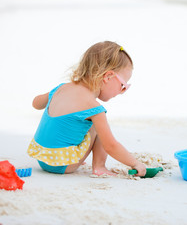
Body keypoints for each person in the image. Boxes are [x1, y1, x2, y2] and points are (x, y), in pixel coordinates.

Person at [27, 41, 146, 176]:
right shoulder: (93, 107)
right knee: (98, 126)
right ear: (108, 76)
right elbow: (111, 145)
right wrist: (135, 163)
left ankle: (68, 152)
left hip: (42, 158)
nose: (122, 91)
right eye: (123, 86)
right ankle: (99, 167)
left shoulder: (60, 88)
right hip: (63, 165)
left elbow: (36, 104)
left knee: (78, 121)